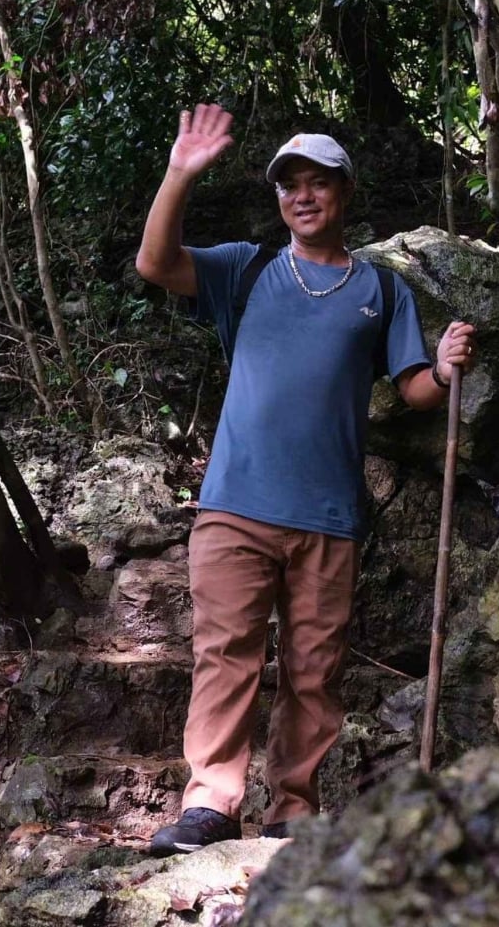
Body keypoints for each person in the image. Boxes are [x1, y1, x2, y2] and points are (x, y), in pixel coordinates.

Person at [135, 104, 475, 854]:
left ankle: (293, 809)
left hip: (329, 515)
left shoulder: (382, 290)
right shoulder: (247, 268)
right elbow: (156, 265)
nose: (302, 195)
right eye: (289, 185)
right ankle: (212, 803)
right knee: (226, 655)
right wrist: (179, 173)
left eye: (317, 182)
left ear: (344, 192)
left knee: (314, 672)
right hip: (236, 505)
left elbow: (414, 388)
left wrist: (445, 370)